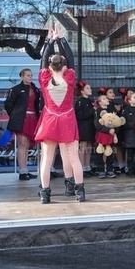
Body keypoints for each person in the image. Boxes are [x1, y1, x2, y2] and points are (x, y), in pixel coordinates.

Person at [34, 27, 85, 203]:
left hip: (50, 119)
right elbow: (70, 59)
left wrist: (49, 42)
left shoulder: (44, 78)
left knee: (46, 159)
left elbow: (43, 61)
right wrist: (61, 40)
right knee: (73, 157)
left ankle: (45, 194)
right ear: (64, 67)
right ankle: (79, 192)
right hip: (67, 119)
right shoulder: (69, 77)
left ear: (49, 67)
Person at [4, 68, 41, 181]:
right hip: (21, 120)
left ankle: (25, 170)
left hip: (33, 118)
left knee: (28, 144)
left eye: (31, 75)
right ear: (22, 76)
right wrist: (15, 116)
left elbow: (37, 104)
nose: (30, 77)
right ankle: (22, 171)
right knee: (22, 144)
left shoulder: (35, 89)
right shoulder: (15, 89)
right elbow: (8, 104)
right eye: (28, 75)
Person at [75, 80, 96, 177]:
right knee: (83, 147)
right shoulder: (80, 102)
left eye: (90, 88)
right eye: (87, 88)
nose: (90, 90)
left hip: (90, 126)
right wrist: (92, 110)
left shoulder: (90, 101)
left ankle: (87, 167)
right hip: (83, 127)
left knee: (89, 147)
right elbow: (80, 115)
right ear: (82, 91)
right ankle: (81, 168)